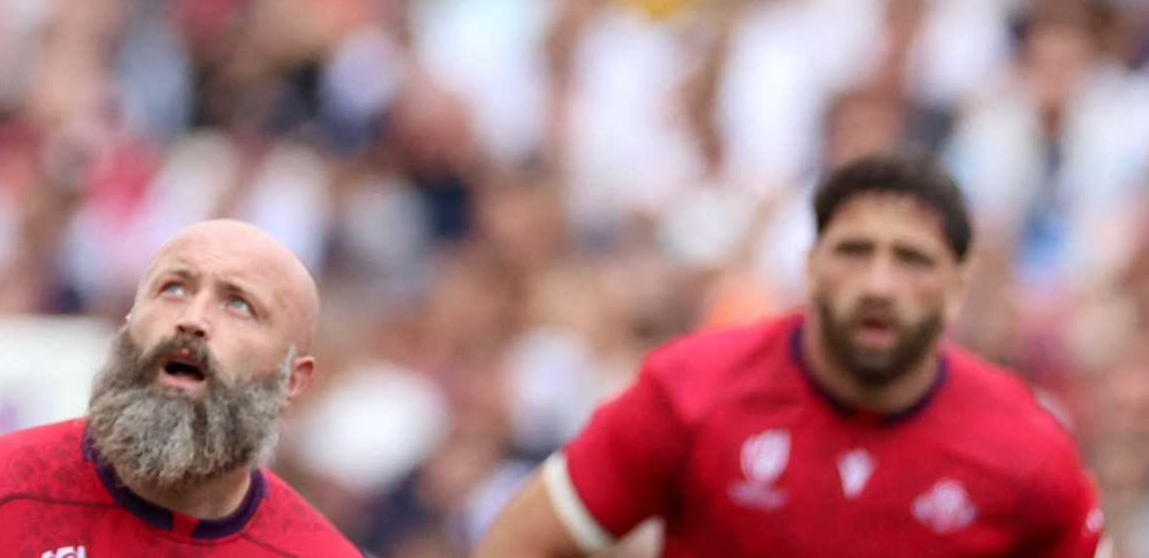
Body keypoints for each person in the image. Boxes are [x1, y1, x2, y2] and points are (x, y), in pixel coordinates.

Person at [471, 152, 1107, 558]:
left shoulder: (1027, 448)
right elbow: (521, 544)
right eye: (854, 251)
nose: (878, 284)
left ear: (956, 289)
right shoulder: (692, 391)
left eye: (912, 260)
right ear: (810, 265)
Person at [0, 218, 358, 557]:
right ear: (130, 320)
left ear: (293, 379)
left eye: (238, 304)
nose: (192, 320)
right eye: (174, 289)